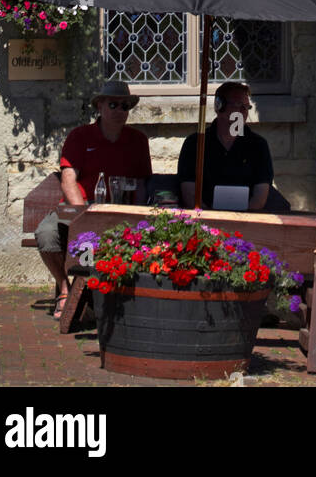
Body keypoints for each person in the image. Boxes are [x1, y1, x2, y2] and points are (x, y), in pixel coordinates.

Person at [36, 79, 152, 319]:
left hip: (121, 212)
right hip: (81, 210)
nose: (120, 111)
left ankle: (123, 297)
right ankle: (66, 289)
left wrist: (138, 214)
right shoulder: (80, 136)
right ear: (99, 106)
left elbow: (141, 184)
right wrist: (84, 215)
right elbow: (68, 179)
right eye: (114, 105)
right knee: (46, 233)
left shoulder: (137, 140)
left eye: (125, 106)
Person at [178, 81, 273, 211]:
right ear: (219, 105)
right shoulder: (195, 143)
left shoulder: (258, 145)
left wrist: (244, 220)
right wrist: (209, 219)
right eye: (238, 105)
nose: (244, 111)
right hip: (205, 221)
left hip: (247, 222)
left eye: (246, 107)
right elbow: (189, 193)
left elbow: (260, 195)